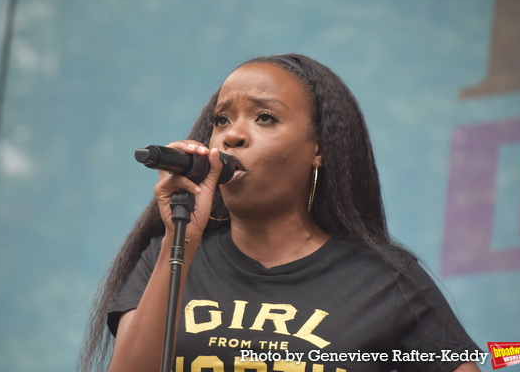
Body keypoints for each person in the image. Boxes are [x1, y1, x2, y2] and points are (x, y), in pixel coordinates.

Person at [78, 54, 482, 372]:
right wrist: (179, 239)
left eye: (264, 117)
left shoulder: (385, 280)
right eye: (222, 119)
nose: (232, 134)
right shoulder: (168, 255)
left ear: (318, 150)